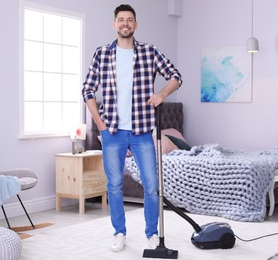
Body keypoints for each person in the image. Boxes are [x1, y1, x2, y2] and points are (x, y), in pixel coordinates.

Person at [82, 4, 182, 252]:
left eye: (129, 20)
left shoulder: (149, 52)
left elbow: (175, 76)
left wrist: (161, 94)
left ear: (135, 25)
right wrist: (99, 124)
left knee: (151, 185)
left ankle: (151, 233)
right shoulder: (102, 54)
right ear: (114, 25)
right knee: (114, 185)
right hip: (112, 133)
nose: (125, 23)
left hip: (141, 132)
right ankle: (119, 233)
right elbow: (87, 90)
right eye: (120, 20)